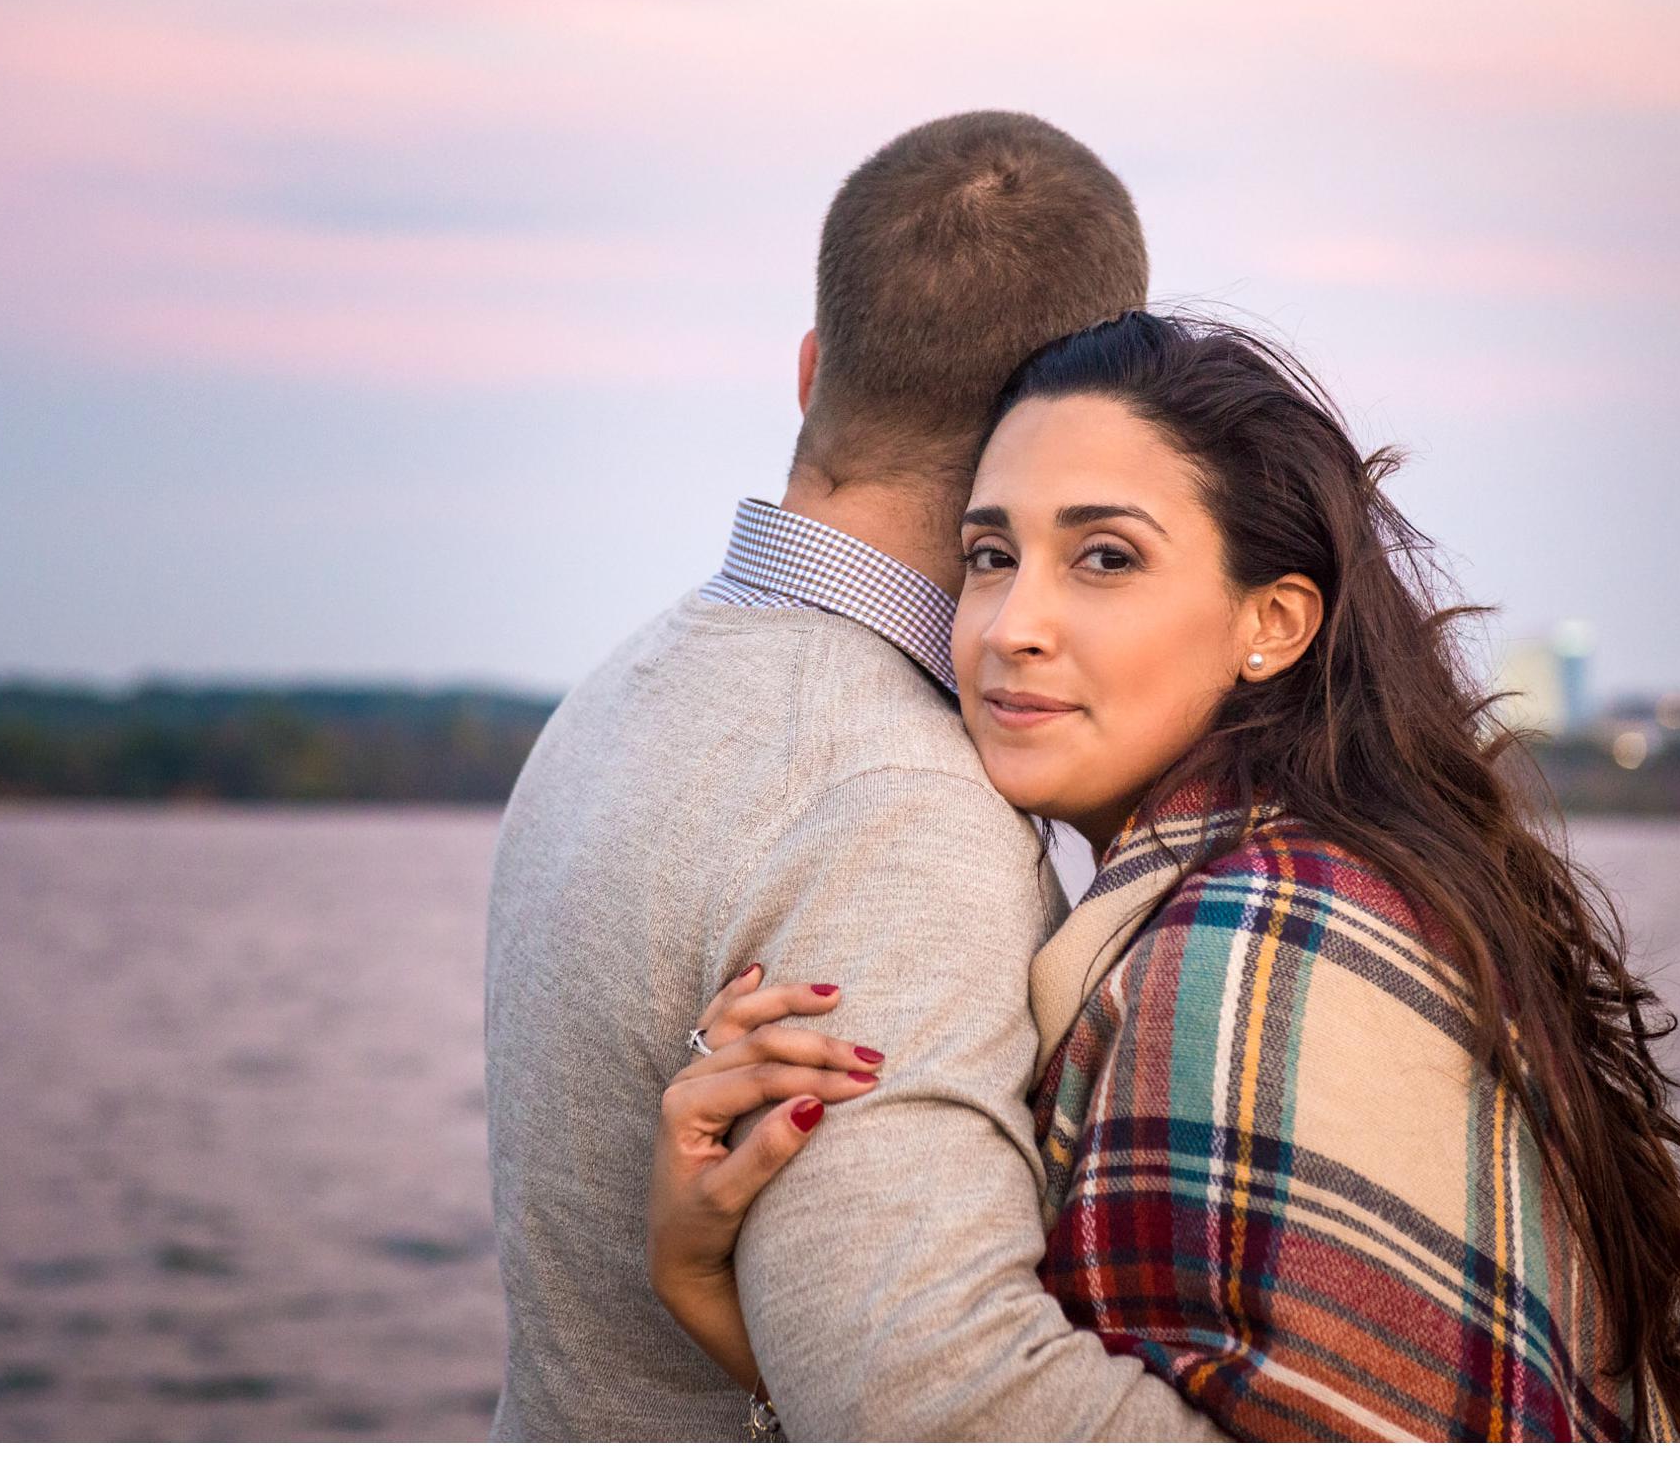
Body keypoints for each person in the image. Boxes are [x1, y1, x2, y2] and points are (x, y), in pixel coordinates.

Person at [649, 311, 1680, 1441]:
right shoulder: (1296, 877)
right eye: (989, 556)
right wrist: (742, 1312)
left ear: (1270, 623)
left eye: (1105, 558)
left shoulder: (1264, 932)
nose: (1012, 625)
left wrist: (711, 1293)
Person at [482, 112, 1226, 1439]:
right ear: (1064, 419)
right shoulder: (898, 805)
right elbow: (930, 1404)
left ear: (814, 366)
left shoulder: (622, 689)